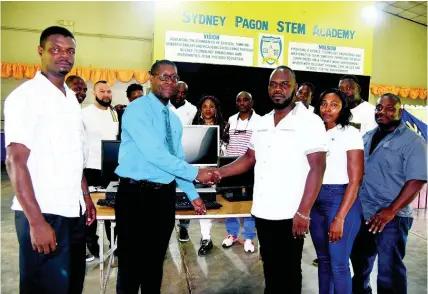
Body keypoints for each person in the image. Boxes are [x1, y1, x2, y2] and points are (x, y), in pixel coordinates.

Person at [212, 66, 328, 293]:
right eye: (274, 84)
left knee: (290, 272)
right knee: (270, 270)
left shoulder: (309, 121)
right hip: (263, 211)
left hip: (290, 214)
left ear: (295, 87)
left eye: (284, 84)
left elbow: (318, 168)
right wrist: (219, 173)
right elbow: (248, 158)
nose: (278, 89)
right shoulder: (262, 122)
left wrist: (304, 212)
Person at [4, 26, 96, 294]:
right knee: (45, 288)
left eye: (70, 51)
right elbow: (15, 162)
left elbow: (73, 156)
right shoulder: (25, 97)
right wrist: (36, 222)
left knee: (71, 285)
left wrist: (85, 196)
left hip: (73, 211)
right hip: (44, 212)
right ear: (40, 51)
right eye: (56, 49)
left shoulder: (69, 99)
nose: (64, 55)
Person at [114, 59, 213, 293]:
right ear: (152, 78)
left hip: (163, 199)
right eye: (164, 76)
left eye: (174, 77)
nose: (170, 81)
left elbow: (176, 160)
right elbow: (154, 154)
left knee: (155, 263)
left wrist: (192, 193)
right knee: (130, 265)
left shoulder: (174, 120)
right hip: (135, 196)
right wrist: (197, 173)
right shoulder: (137, 110)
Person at [351, 93, 427, 294]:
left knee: (389, 272)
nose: (382, 112)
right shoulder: (367, 137)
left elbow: (416, 180)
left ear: (400, 112)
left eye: (389, 108)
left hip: (391, 218)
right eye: (379, 108)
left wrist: (391, 211)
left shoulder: (413, 142)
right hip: (363, 214)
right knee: (359, 266)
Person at [311, 89, 364, 294]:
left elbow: (356, 179)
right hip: (316, 199)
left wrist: (340, 218)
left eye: (334, 104)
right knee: (323, 260)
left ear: (343, 108)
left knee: (339, 264)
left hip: (340, 200)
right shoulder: (315, 133)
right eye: (324, 103)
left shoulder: (350, 133)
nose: (327, 108)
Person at [82, 80, 119, 261]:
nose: (106, 95)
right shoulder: (84, 114)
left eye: (109, 91)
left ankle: (114, 244)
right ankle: (92, 244)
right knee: (91, 210)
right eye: (102, 91)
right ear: (94, 93)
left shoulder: (113, 113)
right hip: (91, 168)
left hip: (111, 170)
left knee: (112, 207)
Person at [222, 91, 261, 253]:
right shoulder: (232, 119)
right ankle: (232, 234)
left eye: (245, 100)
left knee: (250, 204)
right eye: (239, 100)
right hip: (233, 167)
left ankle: (249, 237)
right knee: (230, 202)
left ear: (252, 102)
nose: (242, 103)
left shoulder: (260, 121)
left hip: (251, 167)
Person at [191, 95, 230, 256]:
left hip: (217, 172)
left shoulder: (225, 126)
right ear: (200, 110)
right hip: (199, 172)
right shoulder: (194, 127)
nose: (208, 109)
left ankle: (208, 235)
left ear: (216, 109)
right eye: (205, 106)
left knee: (215, 205)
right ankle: (206, 237)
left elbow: (225, 151)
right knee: (203, 203)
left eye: (211, 106)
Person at [172, 81, 198, 242]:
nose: (180, 95)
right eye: (178, 92)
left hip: (184, 156)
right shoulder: (164, 104)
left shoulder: (192, 109)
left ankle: (184, 228)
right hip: (165, 156)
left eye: (184, 93)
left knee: (186, 191)